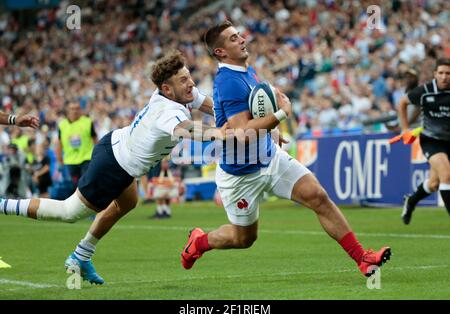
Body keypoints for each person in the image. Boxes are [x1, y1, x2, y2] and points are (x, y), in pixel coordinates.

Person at [180, 21, 391, 277]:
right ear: (220, 52)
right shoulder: (228, 82)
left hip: (269, 158)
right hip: (240, 175)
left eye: (239, 35)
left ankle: (363, 258)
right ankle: (200, 242)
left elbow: (256, 113)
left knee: (318, 196)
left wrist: (270, 128)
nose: (242, 39)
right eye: (234, 38)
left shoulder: (246, 71)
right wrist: (280, 115)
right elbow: (243, 133)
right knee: (243, 239)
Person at [0, 50, 224, 285]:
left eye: (189, 77)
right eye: (184, 80)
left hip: (115, 146)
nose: (191, 83)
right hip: (113, 166)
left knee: (128, 201)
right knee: (69, 212)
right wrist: (221, 133)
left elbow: (208, 104)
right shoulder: (167, 111)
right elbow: (188, 129)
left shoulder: (176, 94)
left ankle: (81, 255)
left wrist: (234, 117)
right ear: (167, 89)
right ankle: (4, 204)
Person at [399, 58, 450, 224]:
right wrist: (405, 128)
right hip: (431, 140)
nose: (444, 77)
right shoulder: (425, 91)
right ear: (435, 74)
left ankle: (411, 200)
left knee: (434, 183)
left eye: (448, 73)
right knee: (447, 175)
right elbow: (402, 103)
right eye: (441, 73)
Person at [55, 102, 97, 193]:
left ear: (80, 110)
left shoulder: (87, 122)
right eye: (72, 109)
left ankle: (89, 203)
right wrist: (59, 158)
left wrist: (97, 153)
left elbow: (95, 139)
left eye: (77, 108)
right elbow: (59, 142)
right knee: (75, 186)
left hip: (86, 158)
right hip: (70, 160)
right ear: (67, 110)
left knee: (86, 183)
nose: (75, 111)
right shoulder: (62, 125)